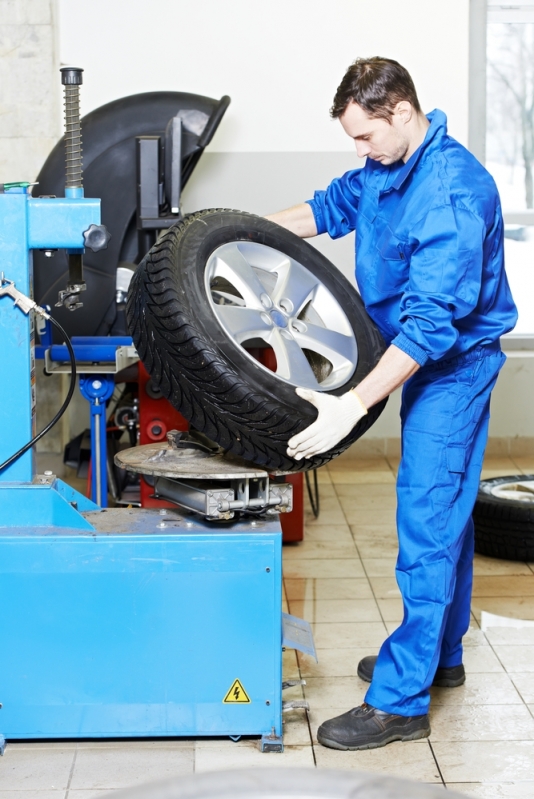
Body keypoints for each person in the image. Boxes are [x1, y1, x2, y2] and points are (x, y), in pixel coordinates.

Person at [266, 57, 517, 751]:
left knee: (427, 517)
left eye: (363, 136)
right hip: (416, 355)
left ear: (401, 111)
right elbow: (328, 207)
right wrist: (231, 231)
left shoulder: (454, 193)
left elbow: (434, 325)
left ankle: (402, 699)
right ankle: (442, 655)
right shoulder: (388, 165)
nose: (358, 150)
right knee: (451, 511)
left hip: (453, 366)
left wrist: (353, 404)